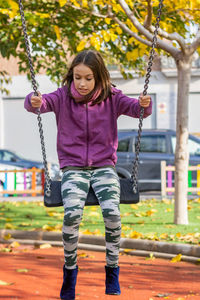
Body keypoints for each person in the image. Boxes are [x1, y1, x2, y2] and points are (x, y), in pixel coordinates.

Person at [24, 50, 152, 300]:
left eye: (88, 78)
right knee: (72, 214)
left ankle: (112, 270)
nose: (82, 83)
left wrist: (144, 105)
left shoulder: (112, 96)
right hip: (73, 167)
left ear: (100, 78)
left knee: (113, 214)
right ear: (71, 76)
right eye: (77, 77)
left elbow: (137, 110)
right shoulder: (62, 96)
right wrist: (33, 100)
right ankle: (70, 273)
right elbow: (38, 103)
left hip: (104, 167)